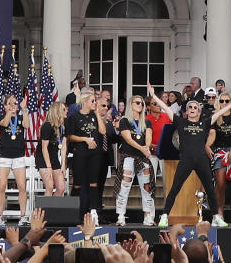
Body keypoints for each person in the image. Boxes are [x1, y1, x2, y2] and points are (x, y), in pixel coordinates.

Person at [149, 83, 231, 228]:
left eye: (195, 107)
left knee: (210, 189)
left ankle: (216, 217)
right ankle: (164, 216)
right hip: (186, 160)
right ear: (186, 111)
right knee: (175, 188)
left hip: (201, 160)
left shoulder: (204, 123)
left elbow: (219, 112)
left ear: (200, 112)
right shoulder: (181, 122)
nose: (192, 109)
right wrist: (153, 95)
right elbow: (166, 108)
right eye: (190, 107)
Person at [65, 89, 107, 222]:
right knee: (77, 184)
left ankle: (93, 212)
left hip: (95, 154)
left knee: (94, 183)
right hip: (80, 153)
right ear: (84, 102)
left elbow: (102, 131)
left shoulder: (95, 116)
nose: (95, 103)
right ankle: (74, 211)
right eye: (93, 101)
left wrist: (98, 115)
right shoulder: (74, 117)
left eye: (95, 101)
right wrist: (85, 139)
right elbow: (70, 136)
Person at [115, 95, 156, 226]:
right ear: (131, 104)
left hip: (143, 157)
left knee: (146, 187)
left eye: (142, 103)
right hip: (129, 156)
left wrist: (146, 147)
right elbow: (127, 139)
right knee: (125, 186)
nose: (140, 105)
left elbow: (149, 136)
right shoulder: (124, 120)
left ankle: (148, 216)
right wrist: (142, 148)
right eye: (137, 102)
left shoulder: (147, 121)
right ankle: (121, 216)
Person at [0, 94, 30, 226]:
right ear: (5, 106)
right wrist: (9, 111)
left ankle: (23, 215)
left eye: (15, 103)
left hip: (19, 155)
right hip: (4, 156)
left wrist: (24, 109)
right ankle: (0, 215)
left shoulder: (21, 117)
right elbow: (4, 124)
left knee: (22, 186)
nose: (13, 106)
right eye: (10, 103)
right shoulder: (1, 117)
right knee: (2, 186)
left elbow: (27, 125)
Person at [38, 101, 68, 197]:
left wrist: (63, 163)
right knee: (50, 186)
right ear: (57, 111)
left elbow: (63, 146)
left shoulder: (63, 126)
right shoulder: (47, 126)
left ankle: (52, 209)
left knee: (61, 187)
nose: (66, 111)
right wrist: (49, 167)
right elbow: (44, 148)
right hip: (43, 158)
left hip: (54, 158)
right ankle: (43, 211)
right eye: (63, 109)